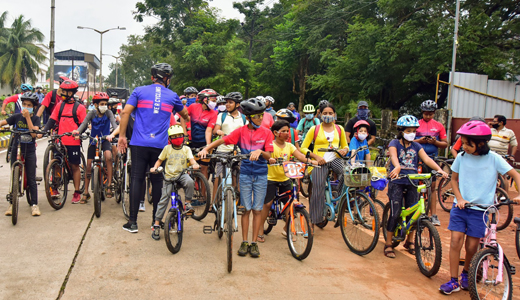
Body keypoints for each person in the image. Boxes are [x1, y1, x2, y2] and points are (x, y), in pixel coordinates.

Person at [439, 120, 520, 295]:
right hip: (460, 208)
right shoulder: (461, 157)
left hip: (481, 211)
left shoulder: (494, 159)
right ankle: (453, 280)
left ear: (481, 143)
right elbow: (453, 180)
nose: (464, 147)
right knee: (455, 241)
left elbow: (514, 174)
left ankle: (467, 273)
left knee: (471, 247)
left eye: (469, 144)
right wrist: (459, 198)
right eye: (463, 143)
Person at [117, 63, 189, 233]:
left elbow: (125, 113)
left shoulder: (139, 91)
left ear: (152, 78)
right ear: (167, 79)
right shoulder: (172, 96)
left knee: (136, 179)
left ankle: (133, 222)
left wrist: (121, 137)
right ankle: (155, 223)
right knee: (158, 182)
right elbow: (184, 114)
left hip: (139, 143)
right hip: (160, 146)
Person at [198, 98, 273, 258]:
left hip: (261, 174)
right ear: (248, 117)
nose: (260, 119)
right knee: (246, 209)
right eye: (257, 116)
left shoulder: (267, 132)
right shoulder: (241, 132)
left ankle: (254, 244)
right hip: (245, 173)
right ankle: (244, 241)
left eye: (261, 115)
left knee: (257, 210)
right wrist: (207, 148)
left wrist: (260, 152)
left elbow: (269, 155)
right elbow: (222, 140)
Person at [384, 115, 447, 259]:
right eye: (408, 130)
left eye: (414, 130)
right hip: (397, 181)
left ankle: (410, 241)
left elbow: (426, 159)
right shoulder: (394, 142)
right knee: (395, 212)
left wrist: (440, 170)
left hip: (413, 181)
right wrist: (398, 166)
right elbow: (393, 156)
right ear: (401, 131)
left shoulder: (417, 146)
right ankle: (388, 243)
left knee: (414, 213)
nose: (411, 133)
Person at [258, 120, 317, 243]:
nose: (287, 133)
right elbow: (265, 155)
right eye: (283, 131)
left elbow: (300, 156)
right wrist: (270, 159)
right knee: (267, 204)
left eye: (287, 131)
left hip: (285, 178)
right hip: (270, 178)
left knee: (290, 204)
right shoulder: (270, 145)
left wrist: (311, 161)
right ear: (275, 132)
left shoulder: (290, 146)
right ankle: (259, 230)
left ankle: (287, 228)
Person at [300, 101, 349, 226]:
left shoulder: (339, 129)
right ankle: (314, 221)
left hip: (335, 159)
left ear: (335, 114)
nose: (328, 115)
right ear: (320, 114)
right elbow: (303, 148)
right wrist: (315, 156)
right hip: (319, 162)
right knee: (318, 188)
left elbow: (345, 146)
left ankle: (339, 202)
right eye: (325, 113)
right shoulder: (314, 129)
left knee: (347, 174)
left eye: (330, 113)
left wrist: (344, 150)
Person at [150, 125, 199, 240]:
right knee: (163, 201)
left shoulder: (186, 149)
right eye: (174, 137)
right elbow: (159, 160)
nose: (177, 138)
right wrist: (154, 168)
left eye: (179, 136)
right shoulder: (167, 149)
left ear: (183, 137)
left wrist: (194, 164)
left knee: (190, 182)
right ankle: (156, 224)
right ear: (170, 139)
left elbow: (192, 160)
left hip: (181, 175)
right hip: (168, 177)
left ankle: (187, 203)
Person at [43, 79, 86, 204]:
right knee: (56, 163)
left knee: (75, 166)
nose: (61, 93)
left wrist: (79, 133)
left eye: (65, 91)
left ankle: (77, 191)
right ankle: (55, 187)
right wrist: (44, 130)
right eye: (62, 90)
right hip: (60, 140)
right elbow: (52, 120)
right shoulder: (59, 105)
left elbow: (83, 124)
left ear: (71, 92)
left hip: (73, 141)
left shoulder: (80, 108)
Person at [73, 92, 119, 203]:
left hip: (105, 139)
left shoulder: (108, 113)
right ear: (95, 105)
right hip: (93, 141)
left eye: (105, 103)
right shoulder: (91, 114)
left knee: (108, 157)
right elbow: (84, 124)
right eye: (102, 103)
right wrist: (77, 132)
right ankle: (86, 193)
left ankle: (108, 185)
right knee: (88, 166)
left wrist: (113, 134)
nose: (104, 106)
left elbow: (114, 125)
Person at [1, 92, 41, 216]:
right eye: (24, 104)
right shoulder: (16, 117)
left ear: (33, 107)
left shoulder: (35, 119)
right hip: (16, 148)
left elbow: (34, 134)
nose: (25, 107)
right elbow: (3, 123)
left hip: (29, 150)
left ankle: (34, 205)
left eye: (29, 105)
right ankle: (12, 204)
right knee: (14, 175)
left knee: (31, 178)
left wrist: (28, 118)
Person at [415, 100, 448, 226]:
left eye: (431, 114)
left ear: (434, 113)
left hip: (432, 158)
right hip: (418, 159)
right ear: (422, 113)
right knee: (417, 186)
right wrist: (421, 140)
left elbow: (445, 144)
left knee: (432, 187)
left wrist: (435, 142)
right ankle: (417, 211)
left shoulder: (439, 125)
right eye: (426, 114)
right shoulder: (417, 124)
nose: (428, 116)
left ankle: (433, 215)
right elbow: (411, 140)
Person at [211, 92, 246, 204]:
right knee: (219, 175)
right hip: (223, 150)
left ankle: (237, 201)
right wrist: (218, 131)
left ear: (237, 104)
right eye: (226, 102)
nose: (227, 104)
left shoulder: (244, 118)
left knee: (238, 175)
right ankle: (214, 202)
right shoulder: (222, 116)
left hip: (238, 151)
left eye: (230, 102)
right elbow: (215, 130)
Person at [187, 89, 218, 179]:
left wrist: (208, 146)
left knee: (204, 168)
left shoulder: (213, 114)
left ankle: (204, 193)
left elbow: (208, 131)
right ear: (205, 100)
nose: (214, 103)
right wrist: (185, 134)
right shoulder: (193, 107)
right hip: (192, 141)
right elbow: (183, 117)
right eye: (213, 101)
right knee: (194, 167)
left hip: (204, 142)